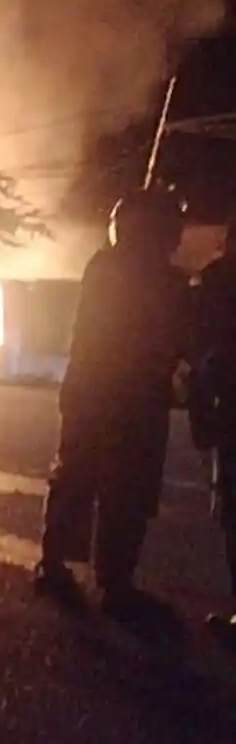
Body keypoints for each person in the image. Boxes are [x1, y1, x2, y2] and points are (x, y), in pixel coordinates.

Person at [34, 188, 189, 617]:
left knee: (84, 478)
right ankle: (110, 581)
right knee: (119, 488)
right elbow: (176, 337)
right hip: (127, 398)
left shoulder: (105, 267)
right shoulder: (158, 280)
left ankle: (61, 564)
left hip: (98, 392)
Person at [188, 216, 236, 645]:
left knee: (232, 511)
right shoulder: (213, 281)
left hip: (228, 412)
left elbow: (202, 350)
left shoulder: (215, 282)